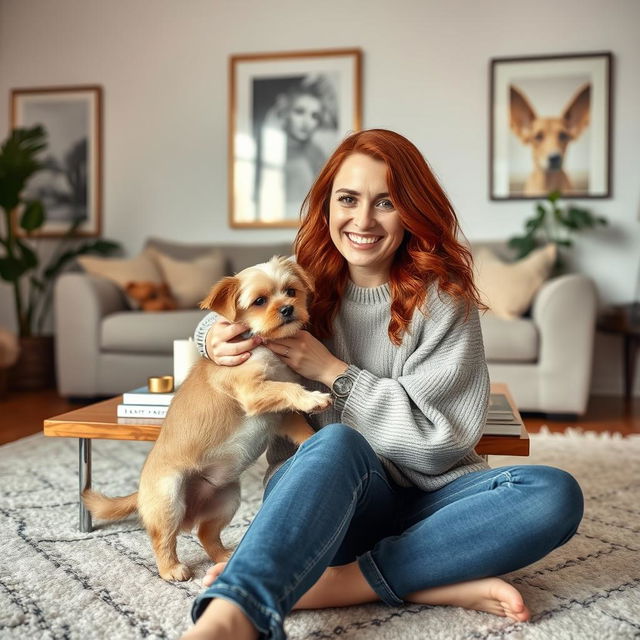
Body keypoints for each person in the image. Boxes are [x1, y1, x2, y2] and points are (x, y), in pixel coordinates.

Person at [181, 129, 584, 640]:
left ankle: (336, 585)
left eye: (386, 203)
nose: (363, 221)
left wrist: (335, 373)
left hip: (433, 501)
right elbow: (236, 314)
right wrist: (209, 339)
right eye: (348, 199)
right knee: (335, 442)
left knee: (552, 494)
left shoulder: (444, 300)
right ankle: (233, 615)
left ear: (412, 211)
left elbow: (441, 445)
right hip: (329, 502)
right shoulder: (302, 285)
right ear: (328, 206)